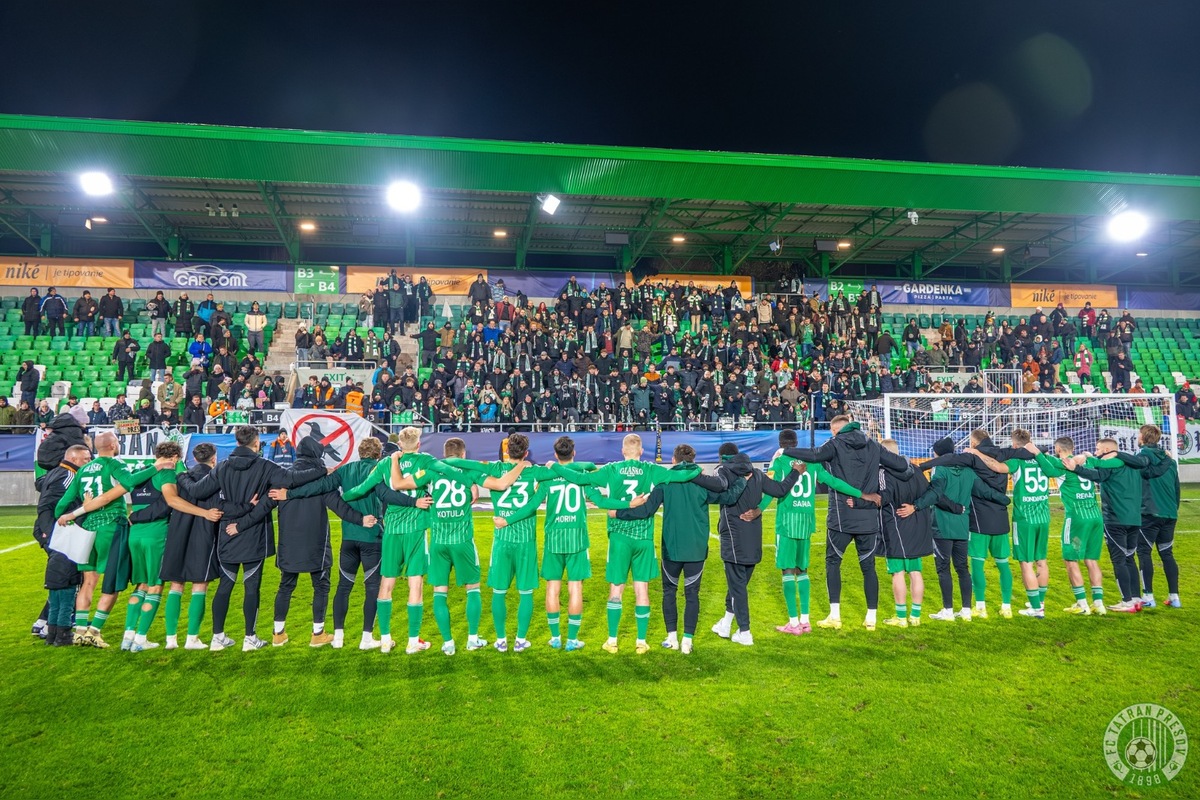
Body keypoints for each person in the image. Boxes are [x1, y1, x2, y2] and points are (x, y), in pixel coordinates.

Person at [270, 437, 427, 650]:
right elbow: (387, 494)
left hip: (348, 539)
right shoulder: (381, 469)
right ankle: (366, 638)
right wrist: (413, 502)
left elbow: (320, 486)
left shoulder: (345, 470)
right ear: (378, 454)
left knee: (343, 586)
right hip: (372, 536)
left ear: (360, 453)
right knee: (372, 587)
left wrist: (290, 493)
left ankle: (338, 637)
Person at [553, 433, 701, 654]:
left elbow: (581, 479)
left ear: (622, 451)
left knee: (616, 589)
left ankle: (612, 640)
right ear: (641, 452)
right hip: (643, 537)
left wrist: (555, 468)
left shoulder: (612, 470)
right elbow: (680, 476)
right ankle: (641, 641)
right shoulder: (651, 470)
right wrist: (697, 469)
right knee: (642, 589)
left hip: (619, 537)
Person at [186, 426, 327, 651]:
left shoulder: (221, 467)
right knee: (251, 587)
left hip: (227, 532)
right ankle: (249, 638)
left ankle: (217, 637)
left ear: (237, 441)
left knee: (225, 586)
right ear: (257, 442)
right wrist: (321, 471)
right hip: (253, 534)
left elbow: (197, 492)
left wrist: (182, 476)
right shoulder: (266, 466)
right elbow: (292, 479)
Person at [225, 437, 370, 648]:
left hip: (289, 544)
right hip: (316, 543)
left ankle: (278, 634)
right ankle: (317, 634)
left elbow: (262, 508)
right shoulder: (321, 480)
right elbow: (340, 507)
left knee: (285, 586)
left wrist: (239, 525)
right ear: (316, 454)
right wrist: (361, 519)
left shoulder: (284, 478)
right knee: (321, 586)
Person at [782, 415, 912, 631]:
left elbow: (814, 455)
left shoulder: (835, 444)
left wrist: (787, 451)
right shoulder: (873, 445)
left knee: (833, 564)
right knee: (869, 568)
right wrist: (909, 469)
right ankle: (871, 618)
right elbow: (899, 464)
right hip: (869, 516)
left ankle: (835, 616)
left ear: (836, 431)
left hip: (841, 517)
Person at [609, 443, 742, 653]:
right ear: (693, 461)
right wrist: (744, 479)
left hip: (672, 548)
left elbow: (645, 511)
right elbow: (729, 496)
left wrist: (619, 512)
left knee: (669, 591)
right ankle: (687, 641)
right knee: (692, 594)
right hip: (696, 549)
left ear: (673, 460)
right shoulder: (702, 483)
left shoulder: (666, 482)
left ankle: (672, 638)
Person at [501, 436, 620, 652]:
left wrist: (507, 520)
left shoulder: (548, 477)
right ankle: (572, 640)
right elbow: (601, 501)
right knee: (575, 587)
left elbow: (531, 506)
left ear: (555, 455)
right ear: (573, 453)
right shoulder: (580, 476)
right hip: (577, 538)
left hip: (553, 538)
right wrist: (628, 504)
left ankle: (555, 637)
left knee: (552, 587)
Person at [421, 437, 528, 656]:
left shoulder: (431, 470)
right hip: (462, 540)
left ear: (444, 453)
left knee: (439, 591)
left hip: (439, 541)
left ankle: (448, 643)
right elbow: (500, 484)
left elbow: (402, 484)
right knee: (473, 589)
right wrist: (521, 465)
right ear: (463, 455)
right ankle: (472, 639)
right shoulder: (468, 473)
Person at [54, 432, 162, 647]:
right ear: (113, 445)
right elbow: (130, 481)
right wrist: (156, 467)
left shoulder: (83, 469)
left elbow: (61, 506)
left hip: (88, 529)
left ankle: (80, 631)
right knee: (113, 580)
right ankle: (95, 631)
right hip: (111, 526)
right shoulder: (113, 464)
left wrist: (76, 515)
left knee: (88, 581)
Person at [341, 426, 443, 654]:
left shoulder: (386, 464)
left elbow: (360, 489)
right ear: (418, 444)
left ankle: (385, 640)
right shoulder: (425, 460)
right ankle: (413, 640)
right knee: (415, 582)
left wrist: (342, 497)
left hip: (392, 529)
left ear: (399, 446)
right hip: (416, 528)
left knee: (387, 582)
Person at [759, 429, 871, 635]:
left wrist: (757, 510)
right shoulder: (812, 462)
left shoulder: (780, 460)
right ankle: (805, 620)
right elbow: (833, 482)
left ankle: (793, 624)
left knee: (787, 570)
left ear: (781, 443)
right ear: (796, 442)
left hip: (787, 522)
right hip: (806, 522)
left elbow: (771, 489)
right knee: (803, 570)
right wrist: (860, 493)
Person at [919, 430, 1035, 620]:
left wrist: (922, 467)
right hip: (1000, 517)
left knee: (975, 564)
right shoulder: (1002, 453)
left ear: (973, 443)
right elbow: (1025, 452)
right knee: (1003, 564)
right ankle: (1006, 606)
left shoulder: (971, 459)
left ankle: (979, 607)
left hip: (978, 519)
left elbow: (947, 461)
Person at [122, 441, 223, 652]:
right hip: (159, 534)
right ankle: (153, 639)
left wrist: (136, 515)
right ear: (176, 457)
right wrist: (205, 513)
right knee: (171, 586)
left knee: (147, 585)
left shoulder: (144, 473)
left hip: (137, 533)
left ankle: (138, 636)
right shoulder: (172, 475)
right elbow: (171, 502)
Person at [706, 443, 802, 645]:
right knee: (737, 585)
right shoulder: (757, 474)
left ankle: (745, 632)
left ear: (723, 457)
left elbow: (715, 493)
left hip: (733, 537)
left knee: (738, 587)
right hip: (754, 540)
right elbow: (780, 489)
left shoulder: (725, 473)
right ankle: (725, 623)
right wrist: (795, 472)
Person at [961, 430, 1054, 618]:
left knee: (1019, 563)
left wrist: (976, 454)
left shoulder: (1014, 462)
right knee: (1036, 561)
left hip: (1018, 519)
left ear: (1014, 445)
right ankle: (1013, 606)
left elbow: (996, 466)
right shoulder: (1045, 460)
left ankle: (983, 607)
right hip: (1039, 517)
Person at [1063, 439, 1144, 613]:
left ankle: (1126, 601)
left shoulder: (1109, 463)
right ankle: (1136, 598)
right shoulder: (1132, 464)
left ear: (1107, 450)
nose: (1096, 451)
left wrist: (1076, 467)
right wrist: (1089, 457)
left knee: (1118, 560)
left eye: (1098, 449)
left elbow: (1097, 476)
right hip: (1134, 518)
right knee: (1130, 558)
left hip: (1114, 518)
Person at [1030, 437, 1107, 615]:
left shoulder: (1061, 464)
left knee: (1071, 560)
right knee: (1091, 560)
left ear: (1057, 448)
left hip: (1077, 519)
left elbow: (1045, 465)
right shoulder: (1085, 463)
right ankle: (1099, 604)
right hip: (1095, 516)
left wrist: (1035, 451)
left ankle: (1082, 604)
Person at [30, 444, 94, 640]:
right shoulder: (68, 476)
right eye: (86, 459)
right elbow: (47, 504)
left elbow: (41, 486)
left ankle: (44, 622)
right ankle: (53, 625)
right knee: (66, 578)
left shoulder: (58, 472)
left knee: (61, 578)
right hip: (58, 533)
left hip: (54, 532)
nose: (89, 463)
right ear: (74, 460)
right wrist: (51, 534)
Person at [1126, 425, 1181, 609]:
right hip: (1170, 514)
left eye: (1139, 434)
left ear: (1143, 437)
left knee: (1143, 553)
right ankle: (1174, 597)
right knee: (1167, 554)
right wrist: (1173, 510)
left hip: (1149, 513)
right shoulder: (1171, 461)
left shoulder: (1141, 458)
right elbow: (1177, 490)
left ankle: (1148, 596)